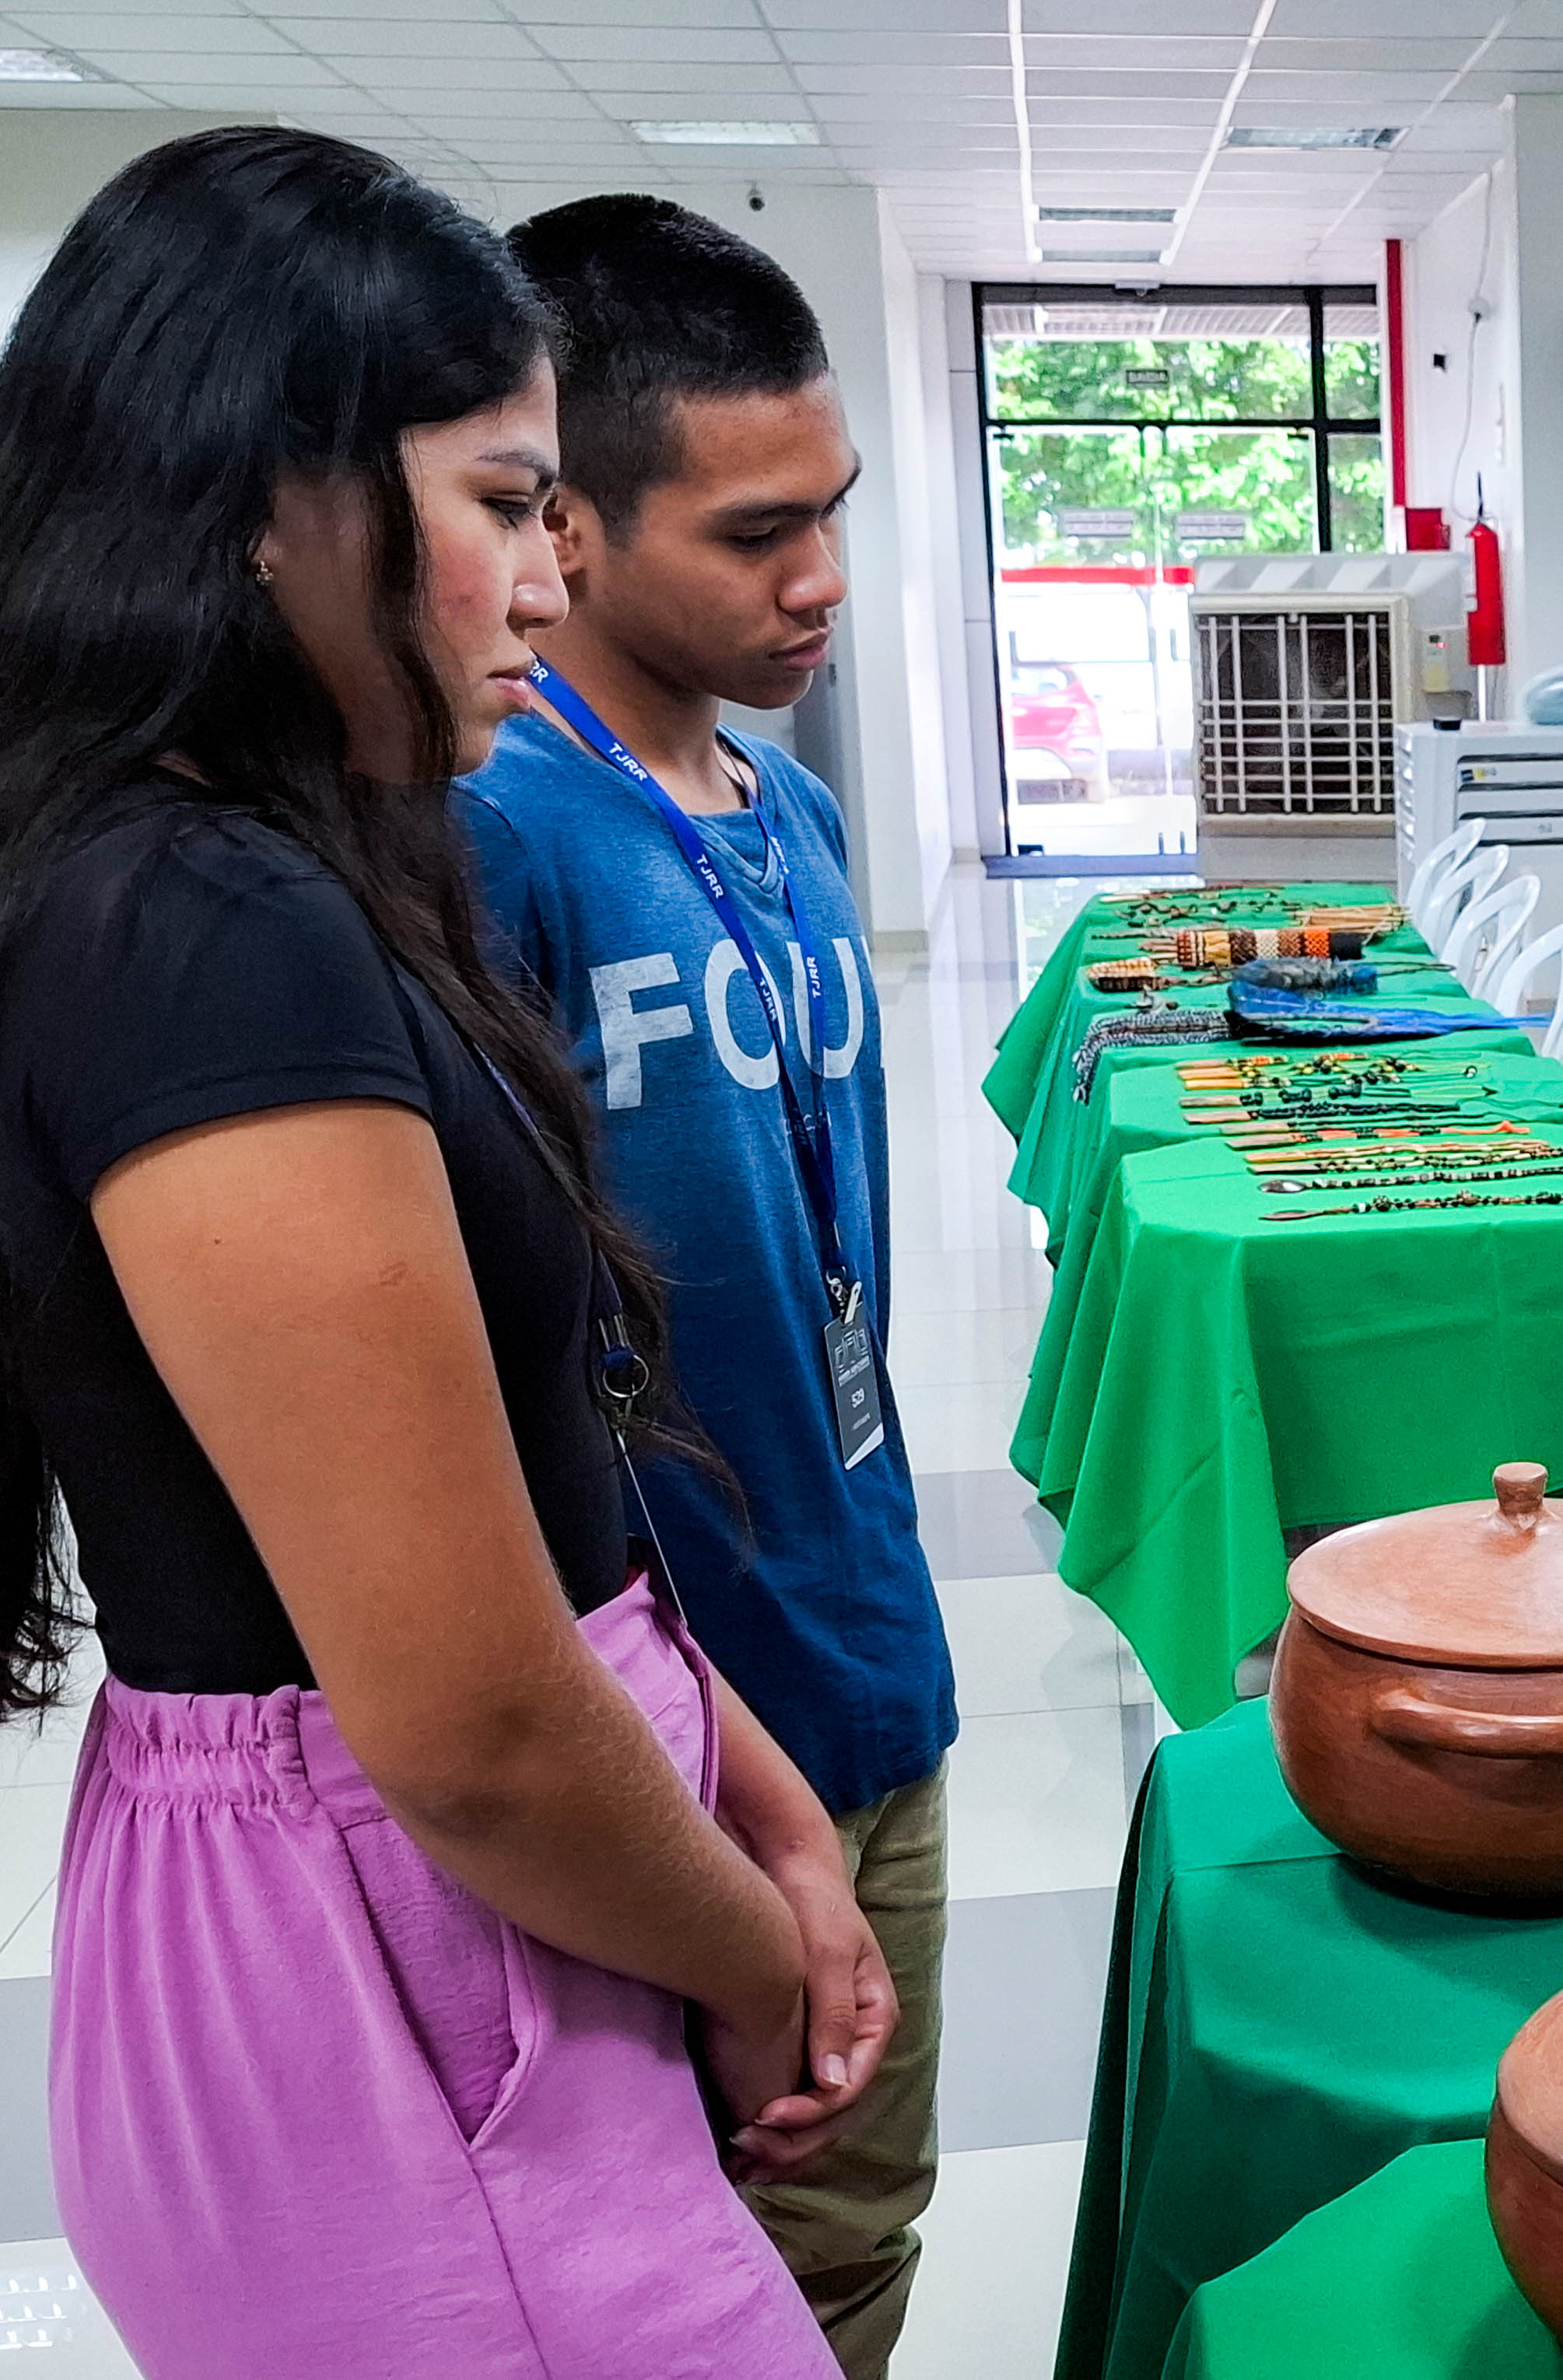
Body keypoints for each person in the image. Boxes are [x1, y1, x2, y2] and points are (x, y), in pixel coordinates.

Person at [0, 130, 895, 2377]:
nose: (539, 578)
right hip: (404, 1948)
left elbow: (538, 1471)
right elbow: (473, 1719)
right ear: (269, 494)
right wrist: (758, 1958)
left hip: (496, 1885)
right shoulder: (200, 929)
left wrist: (748, 1783)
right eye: (505, 502)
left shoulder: (305, 864)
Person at [457, 194, 955, 2374]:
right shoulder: (488, 844)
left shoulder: (793, 814)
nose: (822, 581)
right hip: (644, 1731)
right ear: (565, 517)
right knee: (676, 2286)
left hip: (860, 1638)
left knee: (856, 2230)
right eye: (757, 535)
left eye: (834, 513)